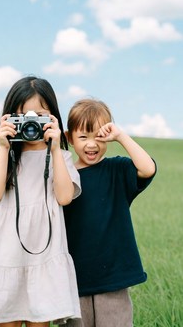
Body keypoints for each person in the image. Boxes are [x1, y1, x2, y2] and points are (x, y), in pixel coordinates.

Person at [0, 76, 81, 327]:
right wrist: (5, 147)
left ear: (53, 118)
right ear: (9, 118)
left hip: (44, 255)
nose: (30, 124)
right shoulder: (4, 155)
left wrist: (54, 148)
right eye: (22, 116)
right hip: (7, 254)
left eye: (38, 116)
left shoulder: (61, 156)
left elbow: (64, 196)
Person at [62, 98, 157, 327]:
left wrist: (121, 136)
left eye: (99, 136)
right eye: (83, 137)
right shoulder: (64, 177)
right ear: (69, 138)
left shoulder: (117, 169)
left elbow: (148, 168)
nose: (91, 144)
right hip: (74, 278)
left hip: (113, 276)